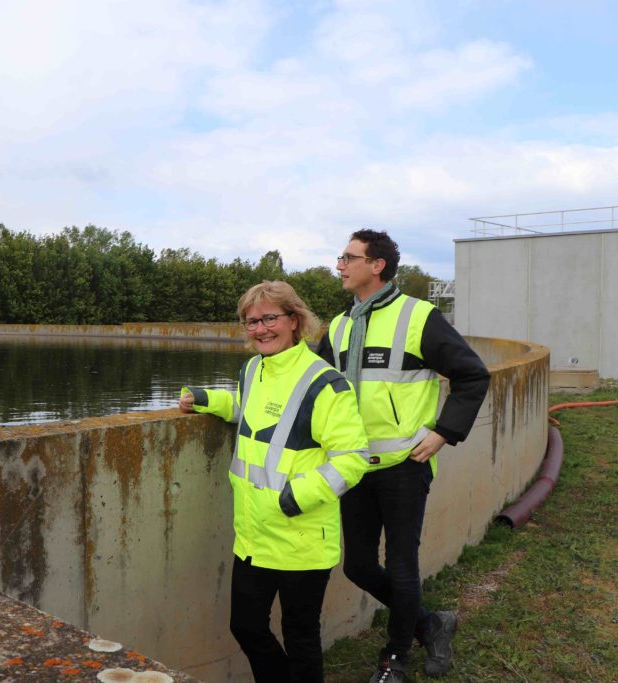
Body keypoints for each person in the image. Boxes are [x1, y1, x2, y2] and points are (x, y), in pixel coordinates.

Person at [317, 229, 490, 683]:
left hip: (404, 468)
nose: (339, 265)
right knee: (357, 566)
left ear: (376, 265)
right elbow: (309, 387)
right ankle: (430, 622)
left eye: (348, 257)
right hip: (353, 467)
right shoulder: (339, 326)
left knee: (401, 565)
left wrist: (443, 433)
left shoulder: (419, 317)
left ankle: (395, 660)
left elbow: (472, 375)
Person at [179, 281, 369, 683]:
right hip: (253, 535)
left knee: (301, 637)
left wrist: (295, 497)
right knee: (246, 627)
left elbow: (353, 458)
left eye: (270, 318)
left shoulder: (325, 382)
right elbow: (249, 412)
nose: (261, 329)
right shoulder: (252, 370)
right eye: (252, 322)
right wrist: (206, 399)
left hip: (301, 538)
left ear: (295, 321)